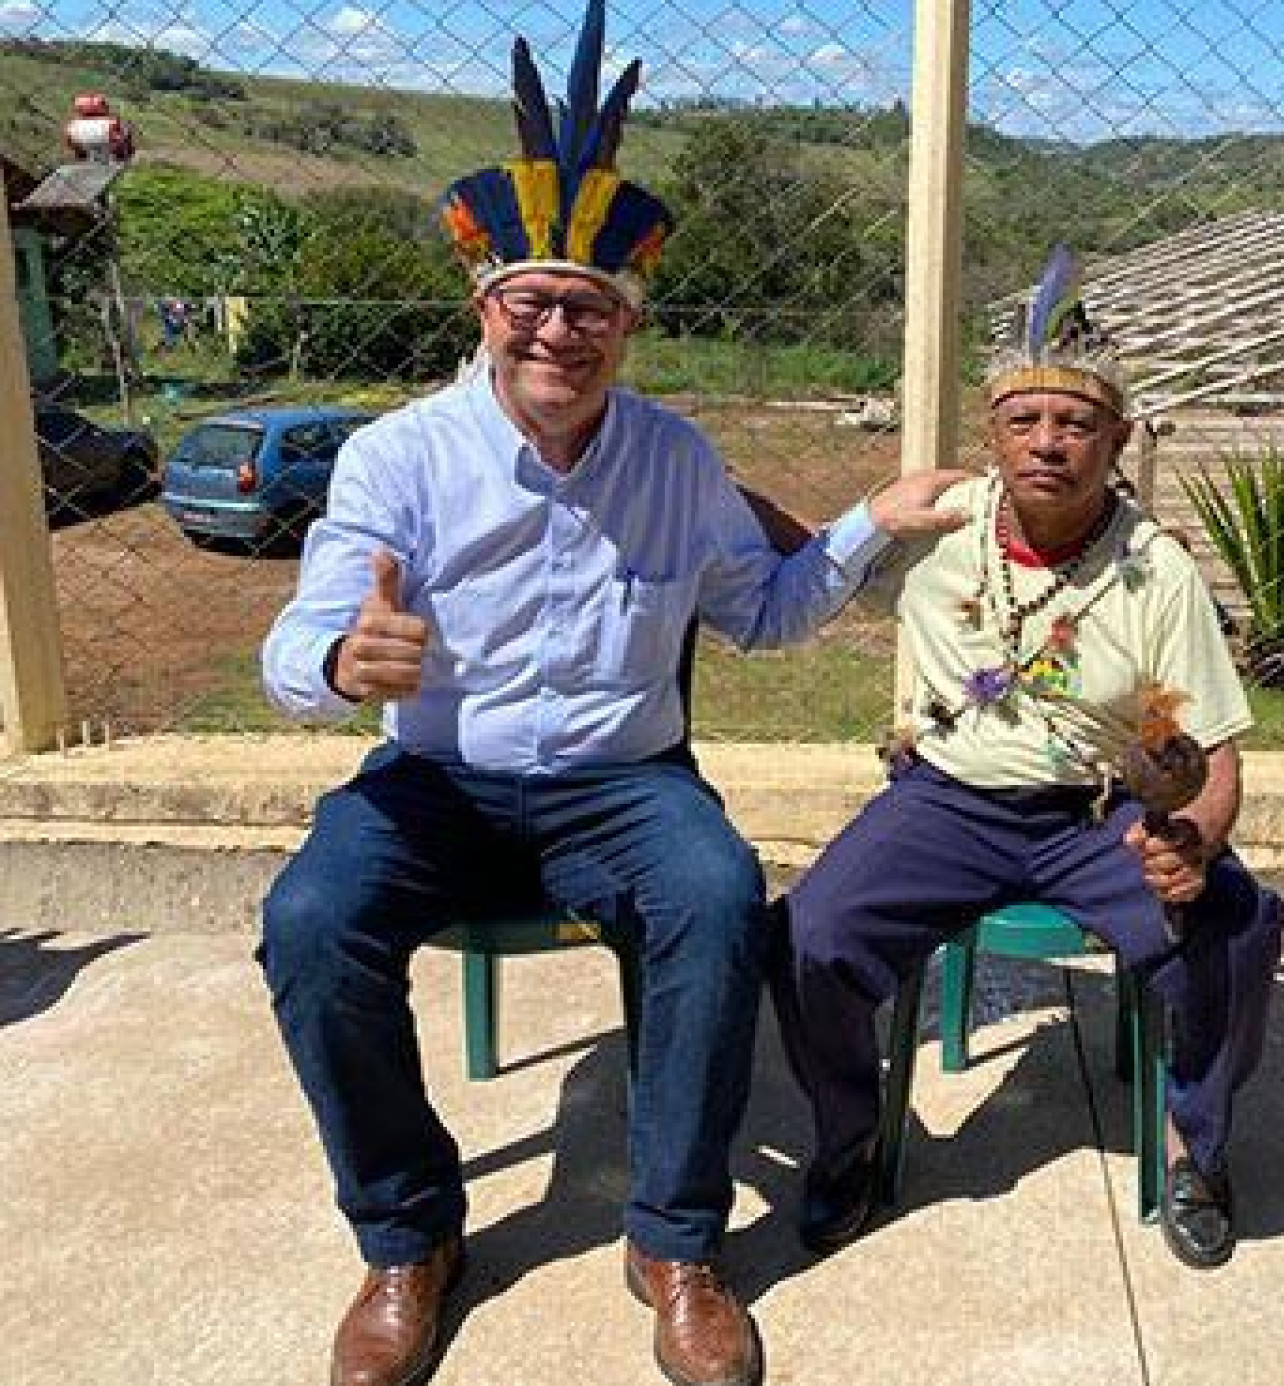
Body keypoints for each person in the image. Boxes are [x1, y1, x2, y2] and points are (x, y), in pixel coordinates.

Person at [254, 6, 962, 1384]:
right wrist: (341, 664)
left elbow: (760, 613)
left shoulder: (674, 458)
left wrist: (868, 519)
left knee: (712, 896)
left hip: (621, 781)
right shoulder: (399, 457)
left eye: (591, 306)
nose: (559, 329)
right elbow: (303, 635)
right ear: (485, 310)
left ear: (627, 324)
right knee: (308, 921)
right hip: (433, 781)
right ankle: (408, 1238)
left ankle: (676, 1243)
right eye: (533, 301)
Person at [771, 250, 1284, 1271]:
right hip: (945, 799)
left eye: (1076, 424)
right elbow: (793, 566)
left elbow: (1214, 753)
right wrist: (869, 512)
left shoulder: (1156, 569)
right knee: (806, 936)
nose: (1048, 443)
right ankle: (850, 1136)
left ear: (1117, 439)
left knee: (1236, 923)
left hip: (1096, 815)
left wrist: (1192, 838)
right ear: (993, 435)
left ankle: (1196, 1145)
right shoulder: (939, 526)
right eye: (1023, 422)